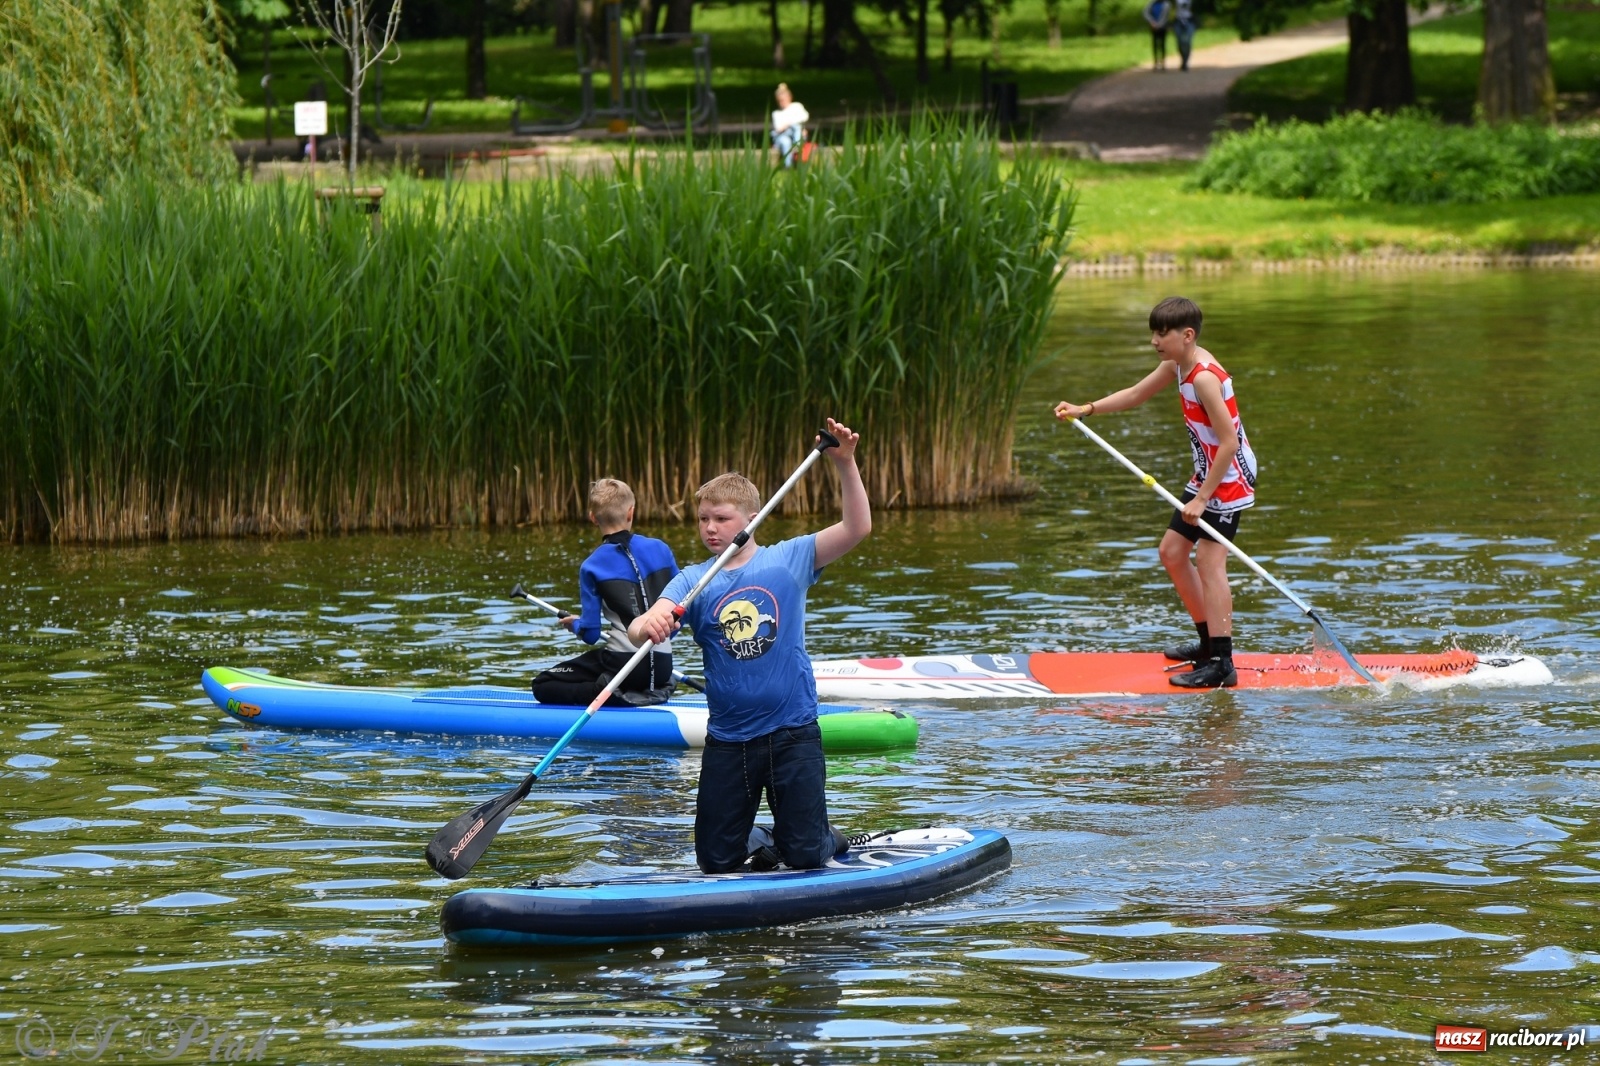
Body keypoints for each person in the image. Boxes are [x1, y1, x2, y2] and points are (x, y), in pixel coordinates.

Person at [629, 418, 869, 873]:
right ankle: (771, 836)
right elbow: (641, 626)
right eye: (703, 519)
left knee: (805, 856)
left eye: (722, 519)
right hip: (729, 740)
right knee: (715, 863)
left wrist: (845, 464)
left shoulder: (789, 559)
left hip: (792, 732)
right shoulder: (694, 581)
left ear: (752, 519)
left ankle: (818, 835)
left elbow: (856, 528)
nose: (710, 528)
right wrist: (650, 623)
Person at [1053, 297, 1258, 689]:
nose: (1154, 341)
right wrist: (1085, 408)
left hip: (1229, 477)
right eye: (1153, 333)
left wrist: (1202, 498)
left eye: (1162, 334)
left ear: (1187, 335)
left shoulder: (1203, 378)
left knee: (1209, 561)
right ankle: (1207, 644)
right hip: (1207, 472)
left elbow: (1230, 443)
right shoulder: (1177, 365)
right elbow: (1135, 394)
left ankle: (1223, 663)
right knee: (1172, 552)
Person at [530, 478, 679, 707]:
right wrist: (658, 638)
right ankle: (652, 689)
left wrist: (576, 625)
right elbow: (681, 611)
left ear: (593, 518)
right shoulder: (661, 549)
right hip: (662, 668)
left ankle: (608, 693)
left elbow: (591, 634)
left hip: (621, 666)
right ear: (631, 512)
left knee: (543, 684)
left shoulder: (592, 566)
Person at [771, 82, 810, 168]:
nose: (782, 102)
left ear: (789, 97)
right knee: (785, 142)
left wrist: (790, 123)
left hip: (797, 132)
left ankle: (797, 146)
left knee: (797, 127)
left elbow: (805, 116)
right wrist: (789, 124)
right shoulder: (776, 113)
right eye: (780, 100)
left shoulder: (797, 106)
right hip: (783, 135)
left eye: (783, 100)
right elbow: (778, 128)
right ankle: (788, 166)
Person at [1143, 0, 1172, 71]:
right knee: (1155, 45)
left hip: (1162, 27)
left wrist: (1158, 25)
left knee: (1162, 45)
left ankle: (1163, 63)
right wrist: (1151, 22)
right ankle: (1155, 62)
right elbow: (1145, 12)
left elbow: (1165, 17)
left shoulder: (1166, 4)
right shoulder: (1151, 3)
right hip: (1153, 27)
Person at [1173, 0, 1196, 71]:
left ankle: (1185, 62)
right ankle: (1183, 59)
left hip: (1189, 21)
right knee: (1179, 42)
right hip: (1178, 21)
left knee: (1188, 42)